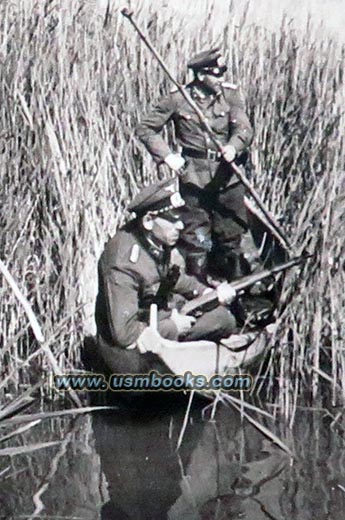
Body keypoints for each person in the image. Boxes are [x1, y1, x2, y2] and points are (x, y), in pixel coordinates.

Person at [136, 47, 255, 283]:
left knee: (232, 238)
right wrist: (168, 157)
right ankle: (201, 291)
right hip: (194, 180)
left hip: (227, 179)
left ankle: (245, 298)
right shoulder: (178, 99)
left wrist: (233, 147)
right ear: (201, 76)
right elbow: (146, 129)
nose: (222, 79)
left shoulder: (231, 96)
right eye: (216, 74)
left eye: (223, 73)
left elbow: (244, 129)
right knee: (198, 239)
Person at [95, 178, 238, 362]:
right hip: (126, 345)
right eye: (172, 220)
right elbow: (124, 334)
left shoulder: (154, 238)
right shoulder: (124, 263)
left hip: (156, 314)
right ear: (148, 220)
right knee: (216, 324)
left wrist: (207, 293)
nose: (180, 226)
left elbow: (173, 277)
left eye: (181, 218)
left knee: (223, 319)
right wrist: (173, 324)